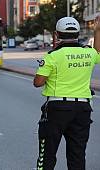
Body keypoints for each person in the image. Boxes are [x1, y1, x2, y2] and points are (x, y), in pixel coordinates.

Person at [33, 17, 100, 170]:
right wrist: (97, 30)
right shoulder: (88, 53)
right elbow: (99, 52)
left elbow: (38, 82)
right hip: (82, 109)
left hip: (57, 109)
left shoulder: (53, 56)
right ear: (77, 33)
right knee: (77, 154)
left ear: (57, 34)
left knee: (48, 153)